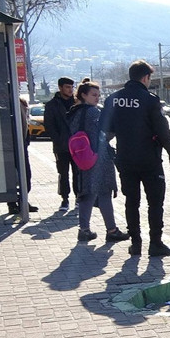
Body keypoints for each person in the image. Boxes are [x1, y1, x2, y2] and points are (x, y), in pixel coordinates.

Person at [102, 60, 170, 257]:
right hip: (149, 160)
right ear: (145, 77)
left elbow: (105, 131)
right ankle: (155, 244)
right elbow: (163, 130)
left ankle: (135, 244)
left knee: (131, 201)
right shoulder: (150, 100)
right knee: (155, 202)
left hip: (125, 159)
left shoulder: (113, 99)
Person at [67, 81, 129, 243]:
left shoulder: (74, 112)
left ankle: (84, 229)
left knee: (87, 193)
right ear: (83, 95)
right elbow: (103, 134)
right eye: (93, 95)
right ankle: (111, 230)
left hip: (82, 156)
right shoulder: (93, 112)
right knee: (104, 192)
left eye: (98, 95)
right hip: (98, 157)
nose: (97, 98)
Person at [43, 77, 77, 211]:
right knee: (63, 173)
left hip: (77, 146)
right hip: (61, 146)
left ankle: (79, 197)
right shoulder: (52, 105)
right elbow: (49, 125)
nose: (70, 90)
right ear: (60, 88)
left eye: (71, 87)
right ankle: (65, 199)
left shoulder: (76, 103)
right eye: (67, 87)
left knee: (78, 173)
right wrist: (58, 139)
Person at [7, 97, 38, 214]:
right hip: (8, 144)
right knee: (10, 176)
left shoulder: (19, 101)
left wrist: (26, 140)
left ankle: (23, 200)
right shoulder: (6, 100)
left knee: (26, 174)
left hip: (21, 143)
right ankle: (12, 203)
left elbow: (24, 122)